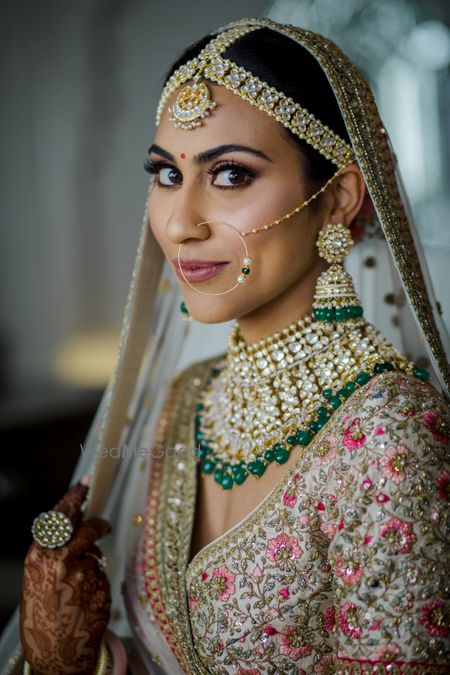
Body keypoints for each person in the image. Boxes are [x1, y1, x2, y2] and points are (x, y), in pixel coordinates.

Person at [1, 16, 449, 674]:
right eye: (166, 174)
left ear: (338, 201)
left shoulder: (392, 435)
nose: (179, 223)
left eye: (231, 174)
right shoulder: (187, 399)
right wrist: (77, 656)